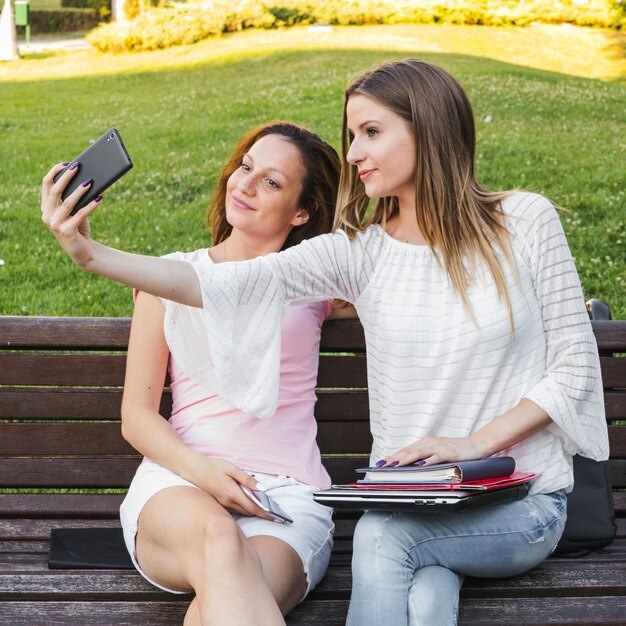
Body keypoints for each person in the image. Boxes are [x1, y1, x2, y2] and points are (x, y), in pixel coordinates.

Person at [41, 60, 609, 626]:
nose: (355, 153)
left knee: (384, 540)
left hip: (516, 497)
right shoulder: (358, 254)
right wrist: (91, 256)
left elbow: (576, 366)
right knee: (426, 591)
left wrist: (472, 443)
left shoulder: (525, 220)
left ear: (429, 129)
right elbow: (225, 284)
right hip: (415, 502)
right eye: (352, 134)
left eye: (372, 132)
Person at [44, 121, 351, 626]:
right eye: (246, 167)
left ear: (302, 211)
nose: (246, 184)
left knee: (214, 609)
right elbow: (137, 418)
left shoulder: (316, 283)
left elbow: (409, 276)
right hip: (179, 484)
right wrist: (203, 472)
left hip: (286, 497)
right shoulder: (169, 274)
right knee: (218, 538)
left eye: (272, 182)